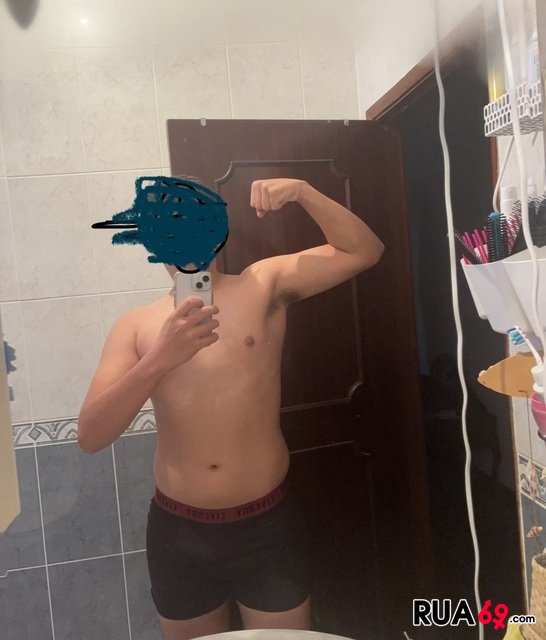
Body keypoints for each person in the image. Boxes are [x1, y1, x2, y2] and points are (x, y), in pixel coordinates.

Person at [78, 177, 384, 640]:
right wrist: (158, 360)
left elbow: (364, 251)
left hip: (267, 526)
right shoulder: (136, 326)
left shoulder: (263, 285)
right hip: (179, 532)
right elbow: (90, 436)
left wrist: (303, 192)